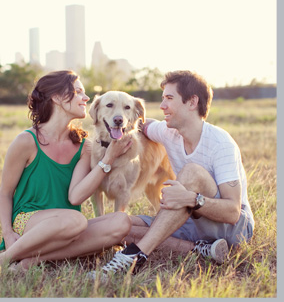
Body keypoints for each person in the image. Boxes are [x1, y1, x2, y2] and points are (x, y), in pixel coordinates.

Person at [0, 70, 133, 273]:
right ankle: (0, 261)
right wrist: (8, 234)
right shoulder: (26, 141)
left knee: (121, 221)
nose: (86, 98)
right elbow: (4, 194)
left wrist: (108, 158)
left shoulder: (84, 147)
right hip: (28, 222)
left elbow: (75, 197)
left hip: (69, 227)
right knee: (75, 219)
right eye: (78, 91)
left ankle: (31, 260)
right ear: (57, 97)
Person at [91, 70, 254, 278]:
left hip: (233, 229)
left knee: (191, 172)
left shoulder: (221, 143)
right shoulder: (167, 132)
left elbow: (233, 212)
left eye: (169, 98)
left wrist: (192, 199)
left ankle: (135, 255)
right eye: (162, 99)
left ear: (192, 102)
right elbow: (139, 123)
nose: (162, 106)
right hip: (190, 223)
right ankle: (199, 249)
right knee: (119, 225)